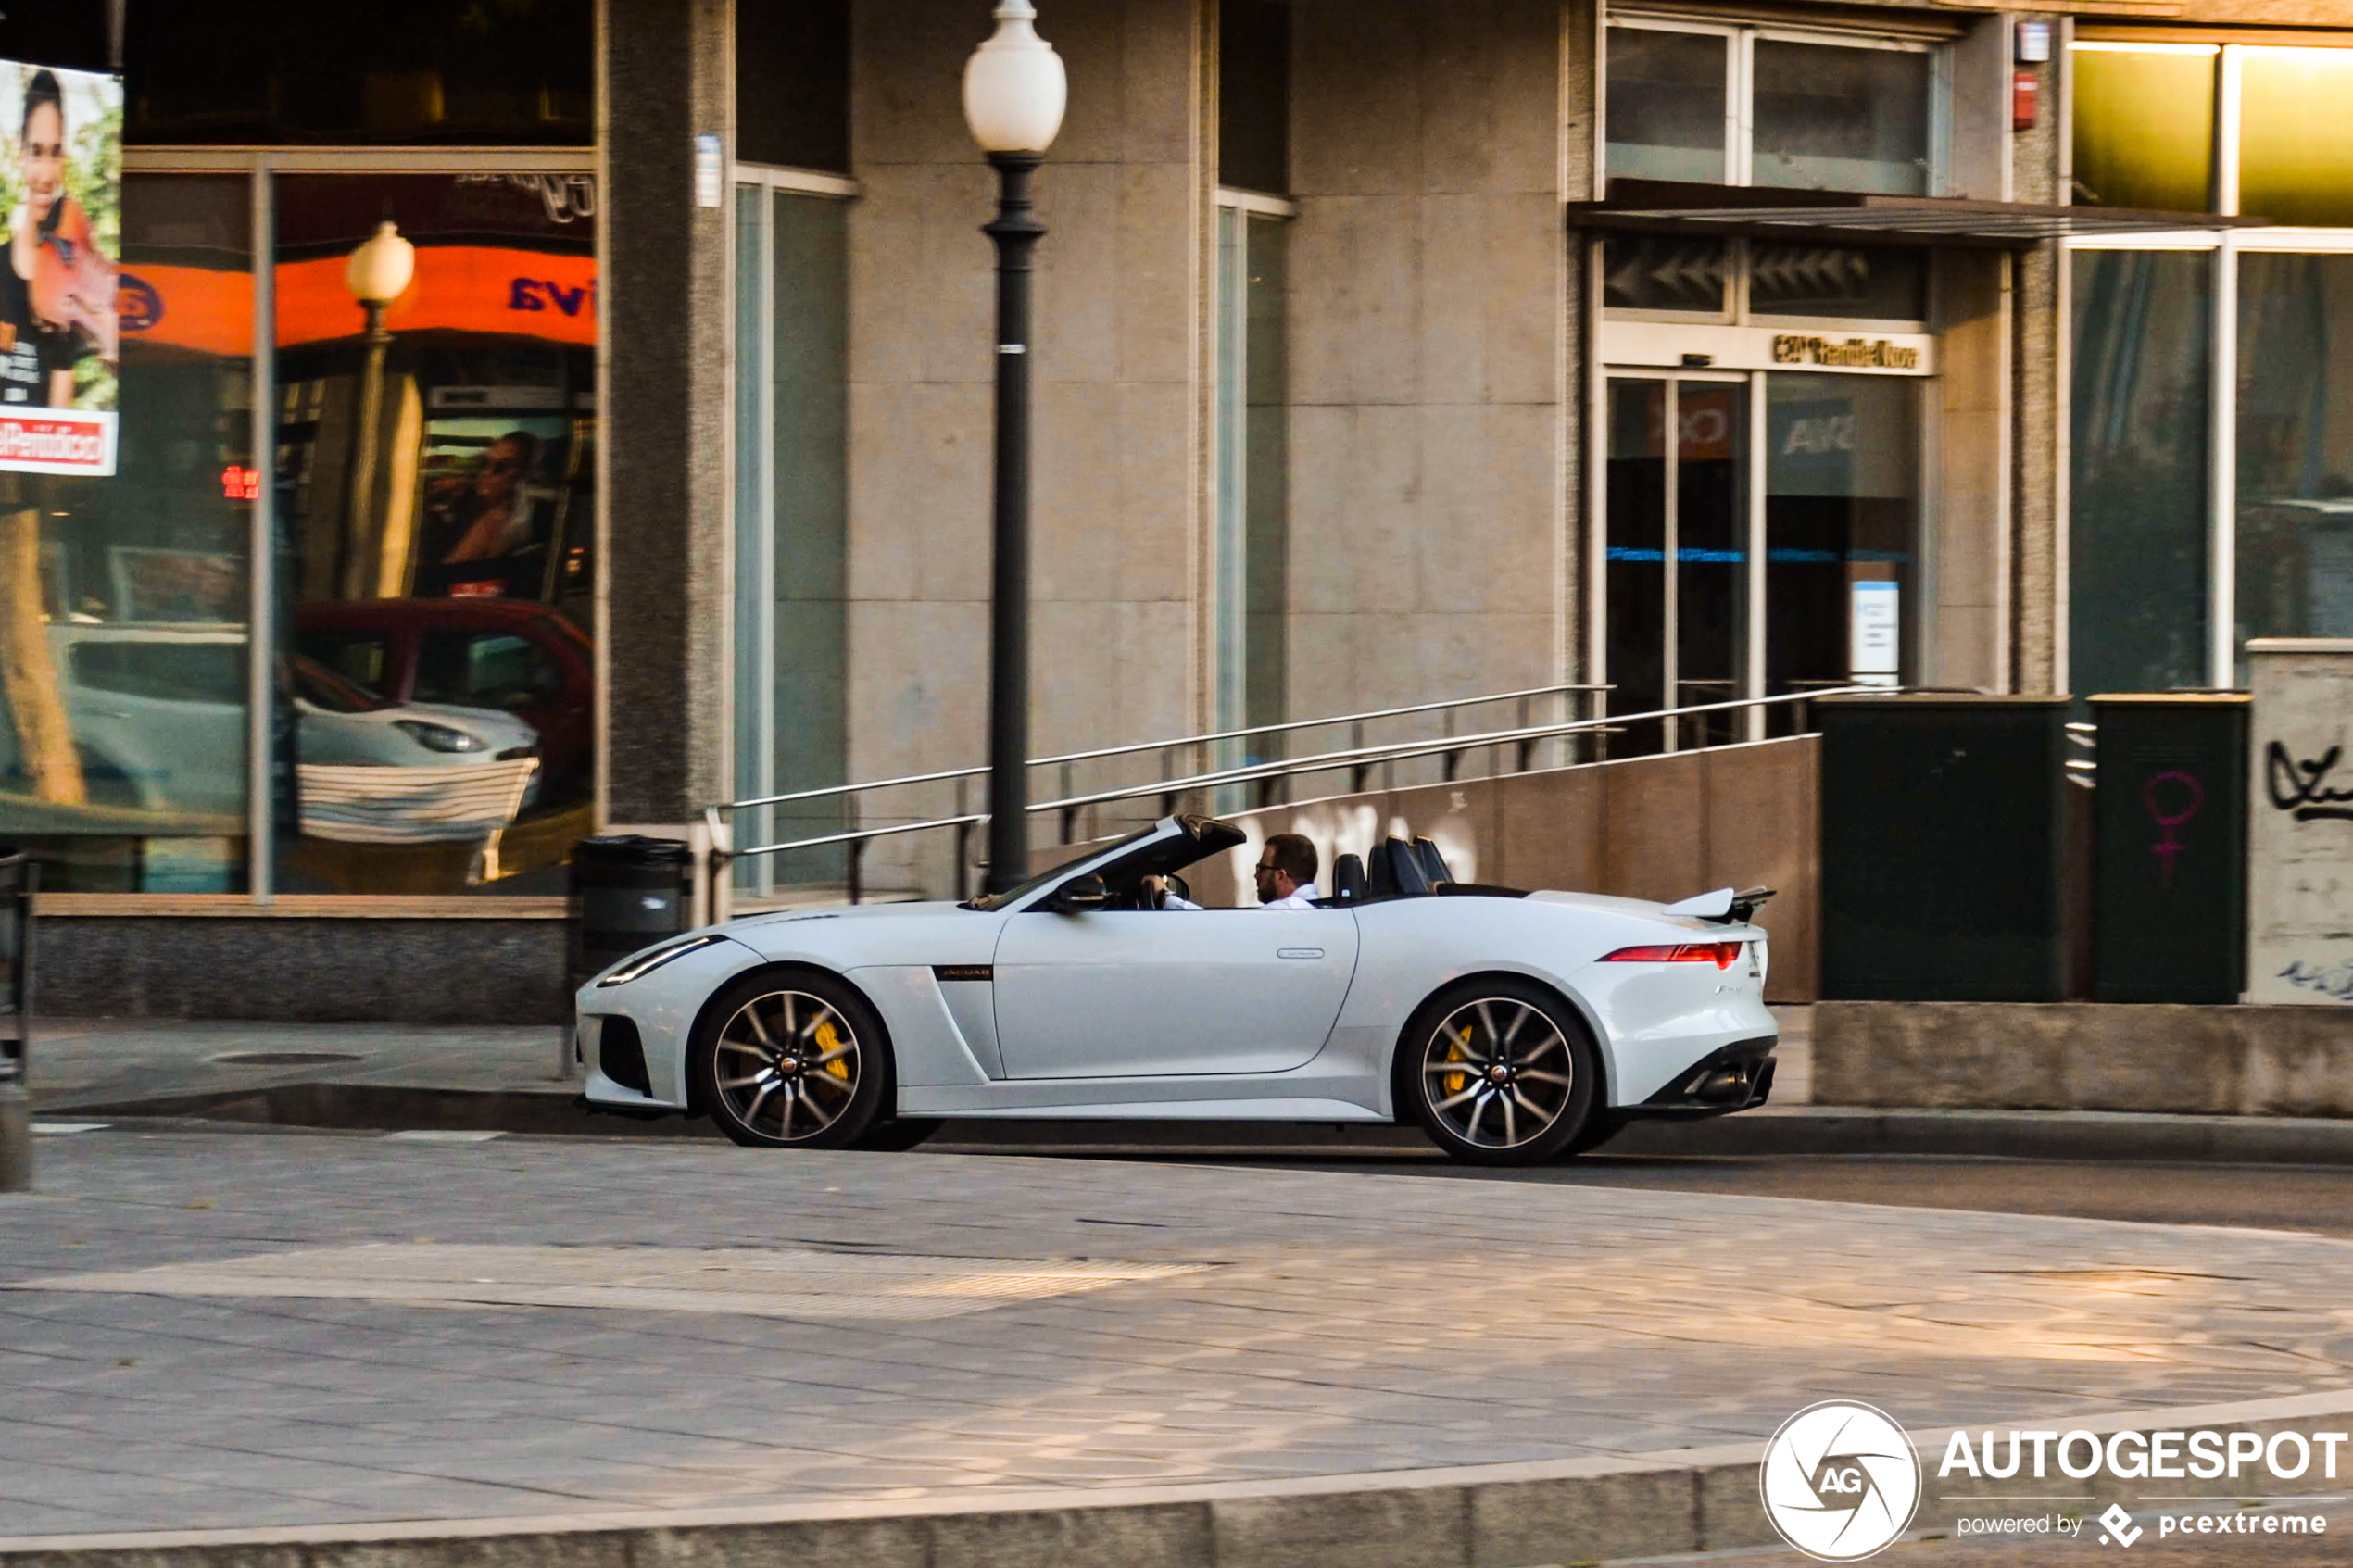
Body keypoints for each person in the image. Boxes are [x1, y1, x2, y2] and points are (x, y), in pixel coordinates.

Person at [0, 69, 107, 408]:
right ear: (21, 154)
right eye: (36, 151)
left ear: (64, 161)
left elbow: (61, 419)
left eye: (55, 153)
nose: (46, 174)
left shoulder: (71, 283)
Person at [419, 431, 545, 596]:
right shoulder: (500, 512)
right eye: (485, 464)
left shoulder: (495, 523)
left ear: (523, 476)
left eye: (500, 468)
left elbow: (441, 577)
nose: (486, 474)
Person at [1153, 832, 1321, 910]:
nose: (1256, 875)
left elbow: (1219, 928)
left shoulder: (1285, 911)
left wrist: (1164, 896)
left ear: (1280, 876)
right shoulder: (1319, 909)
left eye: (1261, 868)